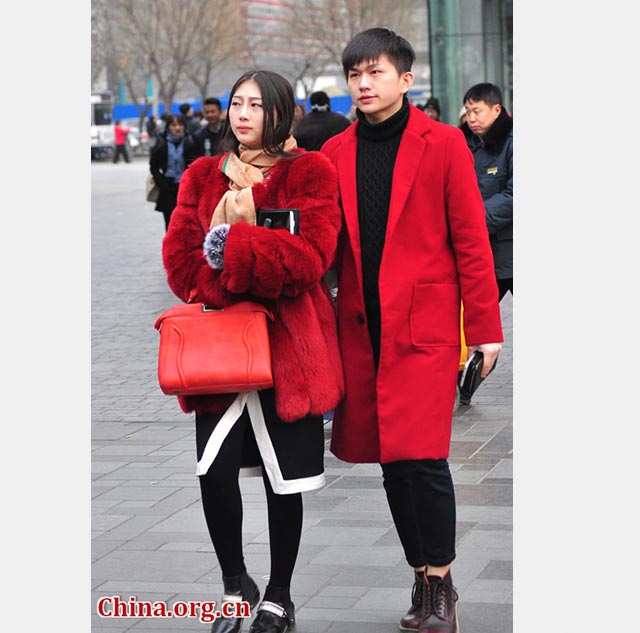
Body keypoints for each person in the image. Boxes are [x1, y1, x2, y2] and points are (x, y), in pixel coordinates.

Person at [320, 28, 503, 633]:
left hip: (424, 327)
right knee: (392, 463)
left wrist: (486, 329)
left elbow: (471, 241)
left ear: (406, 79)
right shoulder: (336, 152)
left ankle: (441, 584)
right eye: (354, 74)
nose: (363, 84)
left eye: (375, 72)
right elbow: (326, 246)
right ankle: (422, 576)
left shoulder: (444, 143)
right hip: (361, 329)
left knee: (423, 459)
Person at [162, 69, 344, 633]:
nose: (242, 114)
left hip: (289, 350)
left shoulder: (310, 172)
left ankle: (279, 597)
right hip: (221, 351)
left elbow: (311, 257)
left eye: (256, 105)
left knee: (281, 479)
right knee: (213, 473)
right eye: (237, 103)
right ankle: (234, 585)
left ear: (280, 112)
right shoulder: (201, 175)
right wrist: (239, 270)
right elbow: (181, 263)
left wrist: (231, 247)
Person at [460, 83, 513, 301]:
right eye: (468, 112)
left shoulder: (512, 143)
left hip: (509, 250)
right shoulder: (465, 144)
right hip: (479, 251)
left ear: (496, 109)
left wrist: (473, 218)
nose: (471, 118)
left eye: (477, 111)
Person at [149, 114, 191, 229]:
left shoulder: (189, 141)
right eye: (173, 125)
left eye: (180, 125)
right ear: (168, 127)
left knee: (186, 224)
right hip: (168, 186)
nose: (177, 128)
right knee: (170, 223)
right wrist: (161, 182)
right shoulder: (161, 142)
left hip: (186, 187)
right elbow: (153, 165)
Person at [185, 96, 226, 164]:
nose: (210, 115)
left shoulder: (229, 132)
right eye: (207, 112)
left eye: (213, 112)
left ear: (220, 112)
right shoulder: (198, 136)